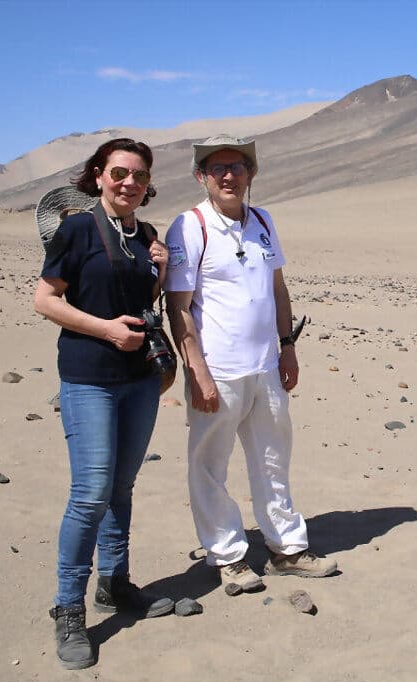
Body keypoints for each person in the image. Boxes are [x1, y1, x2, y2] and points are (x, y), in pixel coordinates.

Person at [164, 134, 338, 596]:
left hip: (265, 366)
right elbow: (178, 305)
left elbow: (277, 288)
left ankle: (287, 548)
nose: (228, 176)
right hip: (217, 369)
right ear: (202, 177)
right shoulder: (190, 226)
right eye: (216, 168)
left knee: (273, 457)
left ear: (250, 175)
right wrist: (196, 370)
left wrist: (287, 345)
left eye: (237, 167)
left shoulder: (263, 220)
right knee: (209, 464)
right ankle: (228, 555)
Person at [33, 138, 174, 670]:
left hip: (139, 381)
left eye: (138, 176)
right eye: (119, 173)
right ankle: (68, 606)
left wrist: (159, 269)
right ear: (97, 176)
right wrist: (106, 332)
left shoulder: (146, 235)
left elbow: (141, 301)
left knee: (121, 487)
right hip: (89, 378)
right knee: (90, 493)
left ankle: (115, 584)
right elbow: (45, 299)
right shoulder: (76, 229)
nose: (128, 183)